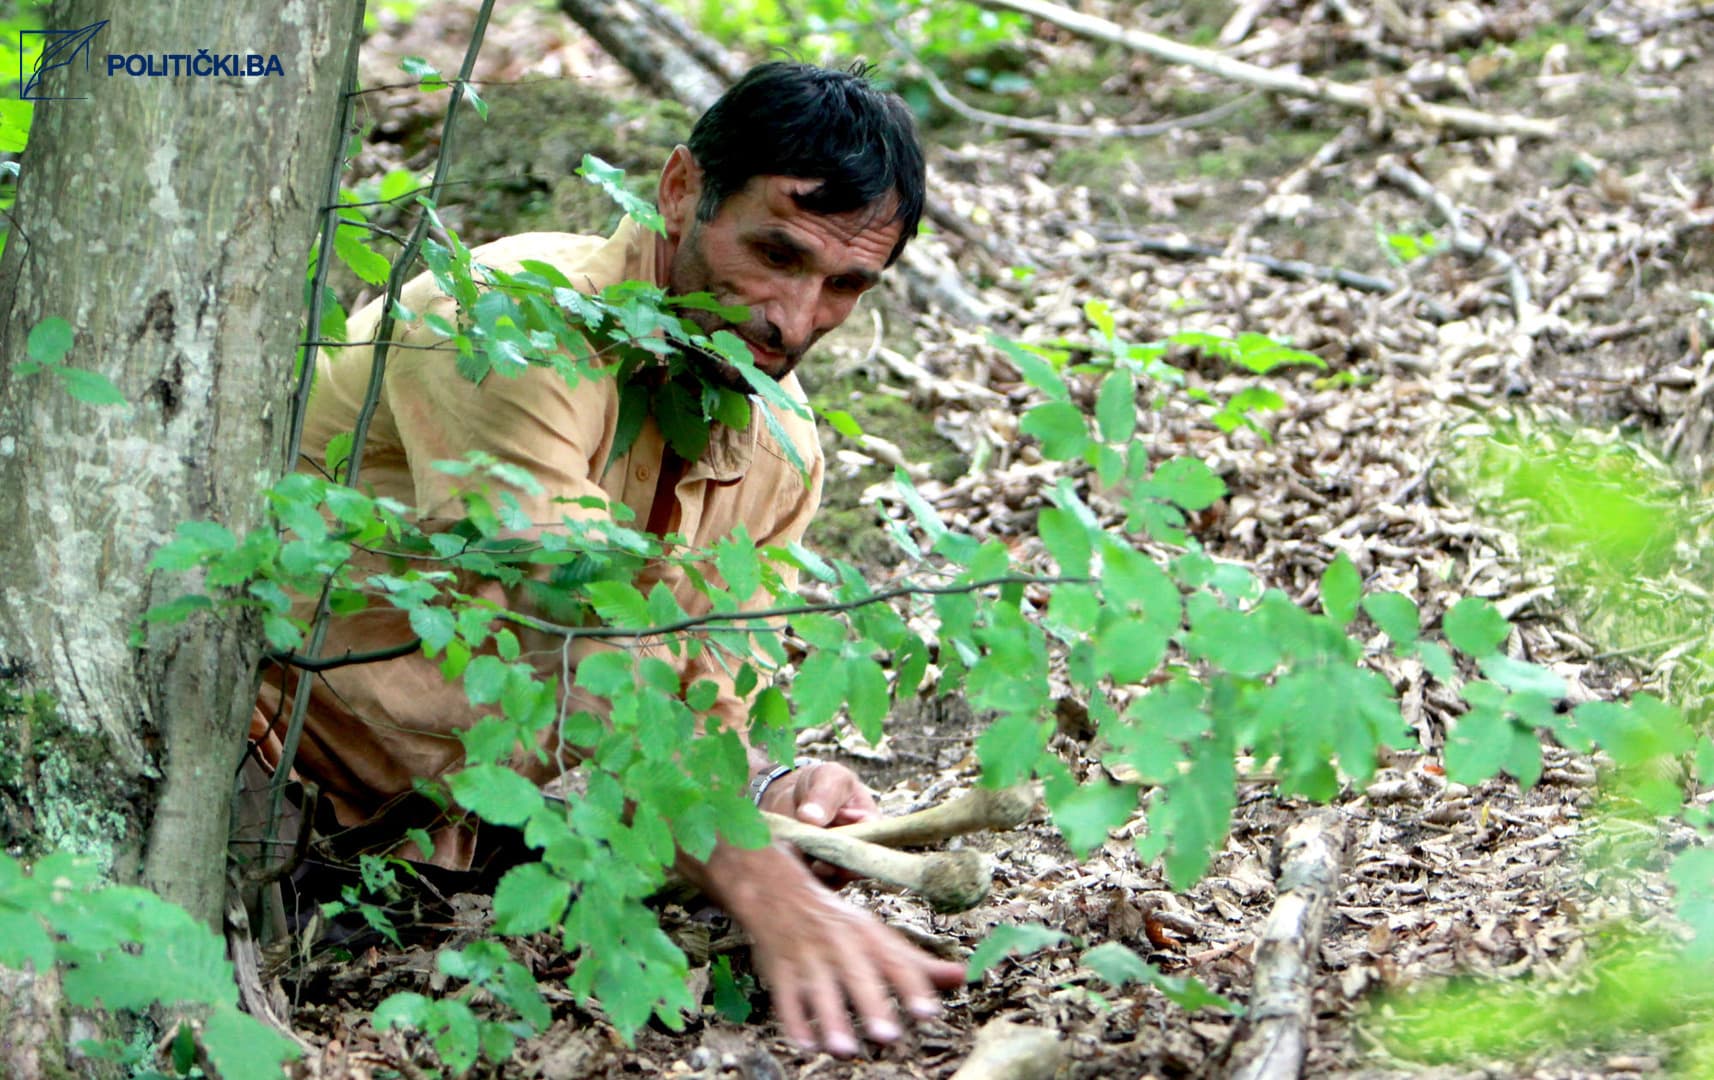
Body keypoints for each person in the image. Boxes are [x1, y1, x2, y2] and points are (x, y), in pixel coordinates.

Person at [247, 61, 965, 1057]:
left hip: (453, 852)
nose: (795, 321)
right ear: (679, 192)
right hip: (258, 792)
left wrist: (769, 785)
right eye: (775, 253)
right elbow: (575, 633)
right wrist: (768, 892)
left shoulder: (781, 448)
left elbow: (697, 695)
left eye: (844, 285)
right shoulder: (507, 318)